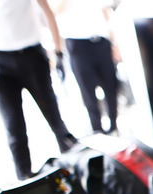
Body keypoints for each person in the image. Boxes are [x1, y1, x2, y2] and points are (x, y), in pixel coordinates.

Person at [0, 0, 78, 180]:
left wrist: (58, 51)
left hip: (31, 53)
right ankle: (25, 178)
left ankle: (75, 170)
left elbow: (46, 9)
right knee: (13, 125)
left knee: (54, 116)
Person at [50, 0, 120, 134]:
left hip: (101, 41)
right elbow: (55, 11)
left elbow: (106, 11)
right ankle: (97, 131)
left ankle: (114, 128)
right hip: (78, 44)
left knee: (111, 87)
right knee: (88, 93)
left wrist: (114, 42)